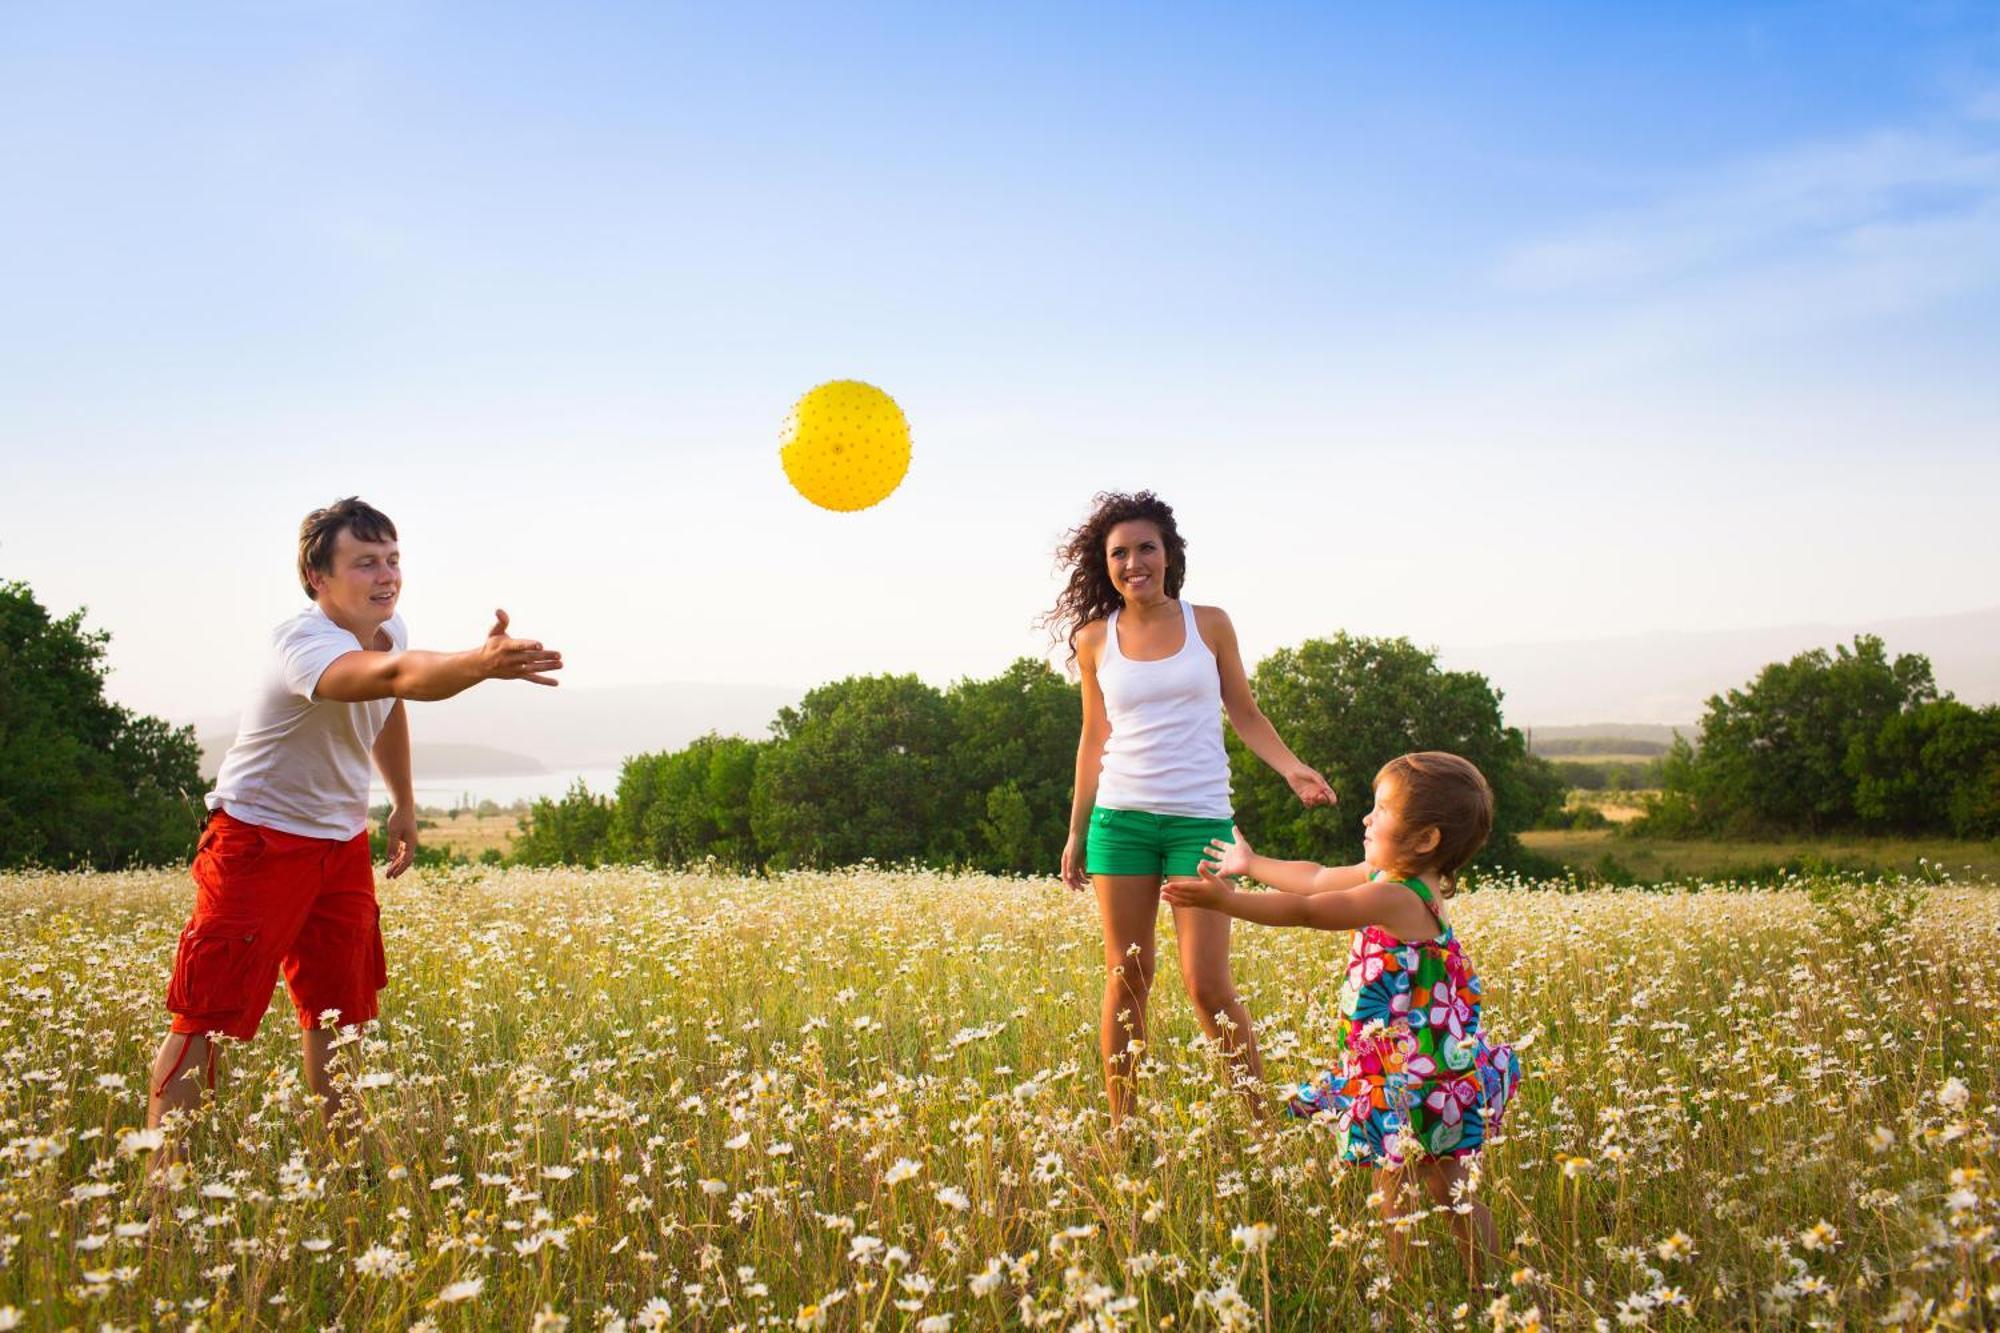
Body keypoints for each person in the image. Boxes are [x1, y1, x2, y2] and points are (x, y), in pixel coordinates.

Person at [146, 497, 563, 1147]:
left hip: (339, 844)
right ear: (319, 576)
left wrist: (401, 800)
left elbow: (389, 698)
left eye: (393, 560)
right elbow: (397, 675)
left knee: (339, 1013)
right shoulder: (304, 644)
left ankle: (344, 1162)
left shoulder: (387, 629)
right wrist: (478, 664)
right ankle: (162, 1188)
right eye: (366, 563)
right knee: (207, 1017)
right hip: (258, 839)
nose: (387, 575)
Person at [1164, 751, 1521, 1286]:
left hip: (1421, 1076)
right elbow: (1314, 879)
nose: (1366, 818)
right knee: (1420, 1183)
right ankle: (1429, 1282)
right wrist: (1250, 863)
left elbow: (1310, 911)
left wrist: (1227, 903)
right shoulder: (1389, 876)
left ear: (1425, 839)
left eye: (1381, 810)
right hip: (1407, 1067)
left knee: (1441, 1188)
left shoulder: (1399, 896)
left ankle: (1481, 1284)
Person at [1049, 490, 1335, 1130]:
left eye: (1145, 548)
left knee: (1206, 983)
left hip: (1201, 822)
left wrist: (1292, 769)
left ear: (1169, 554)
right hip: (1119, 823)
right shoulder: (1094, 640)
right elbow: (1093, 740)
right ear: (1106, 564)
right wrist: (1075, 832)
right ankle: (1124, 1130)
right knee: (1128, 977)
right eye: (1119, 553)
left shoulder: (1210, 623)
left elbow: (1245, 710)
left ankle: (1260, 1124)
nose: (1133, 563)